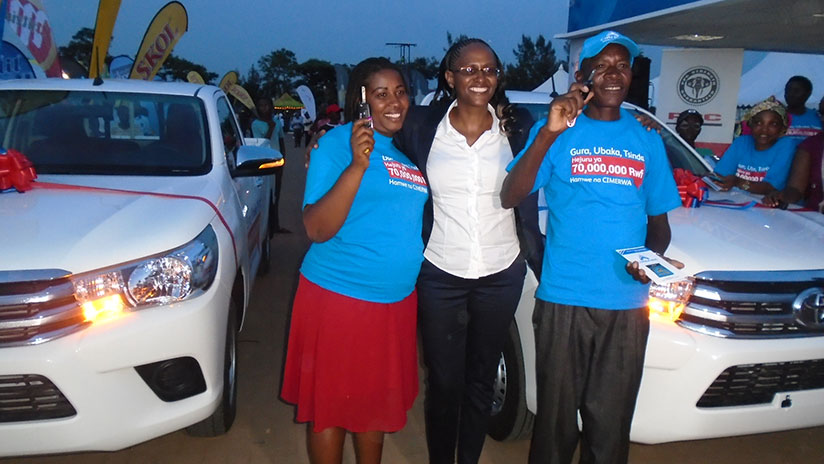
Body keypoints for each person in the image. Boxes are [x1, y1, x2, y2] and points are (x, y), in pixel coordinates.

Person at [500, 30, 682, 464]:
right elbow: (511, 194)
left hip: (626, 303)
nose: (614, 73)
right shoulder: (561, 132)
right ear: (583, 75)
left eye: (623, 65)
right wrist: (547, 131)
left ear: (632, 74)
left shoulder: (647, 140)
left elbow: (659, 224)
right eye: (603, 64)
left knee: (610, 424)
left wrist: (652, 262)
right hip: (565, 297)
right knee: (555, 425)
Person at [392, 38, 543, 464]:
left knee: (481, 378)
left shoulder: (518, 126)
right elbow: (376, 131)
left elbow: (565, 140)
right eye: (470, 69)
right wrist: (331, 144)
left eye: (490, 69)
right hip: (440, 270)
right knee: (443, 382)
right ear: (450, 77)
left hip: (502, 271)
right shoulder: (421, 126)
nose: (481, 77)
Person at [280, 57, 428, 464]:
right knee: (332, 410)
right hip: (340, 298)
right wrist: (357, 167)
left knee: (373, 408)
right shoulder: (337, 145)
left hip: (394, 303)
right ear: (361, 101)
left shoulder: (405, 152)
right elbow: (316, 227)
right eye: (381, 94)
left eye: (400, 92)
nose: (394, 102)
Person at [714, 96, 796, 194]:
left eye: (773, 124)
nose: (764, 129)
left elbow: (770, 187)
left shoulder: (786, 145)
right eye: (758, 123)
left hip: (767, 206)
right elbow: (720, 176)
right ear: (750, 124)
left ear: (782, 129)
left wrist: (737, 181)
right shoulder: (741, 142)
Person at [763, 95, 824, 212]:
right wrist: (780, 196)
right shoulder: (810, 146)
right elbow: (795, 189)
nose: (823, 120)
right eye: (822, 114)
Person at [252, 96, 290, 234]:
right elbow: (262, 142)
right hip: (264, 163)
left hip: (277, 161)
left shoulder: (276, 122)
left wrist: (283, 159)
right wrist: (270, 128)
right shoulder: (256, 124)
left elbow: (281, 141)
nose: (264, 108)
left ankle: (276, 225)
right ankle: (267, 226)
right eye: (261, 106)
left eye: (266, 105)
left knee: (276, 194)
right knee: (266, 194)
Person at [783, 75, 822, 142]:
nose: (791, 94)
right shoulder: (775, 117)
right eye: (788, 90)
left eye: (796, 91)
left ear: (808, 94)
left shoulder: (818, 118)